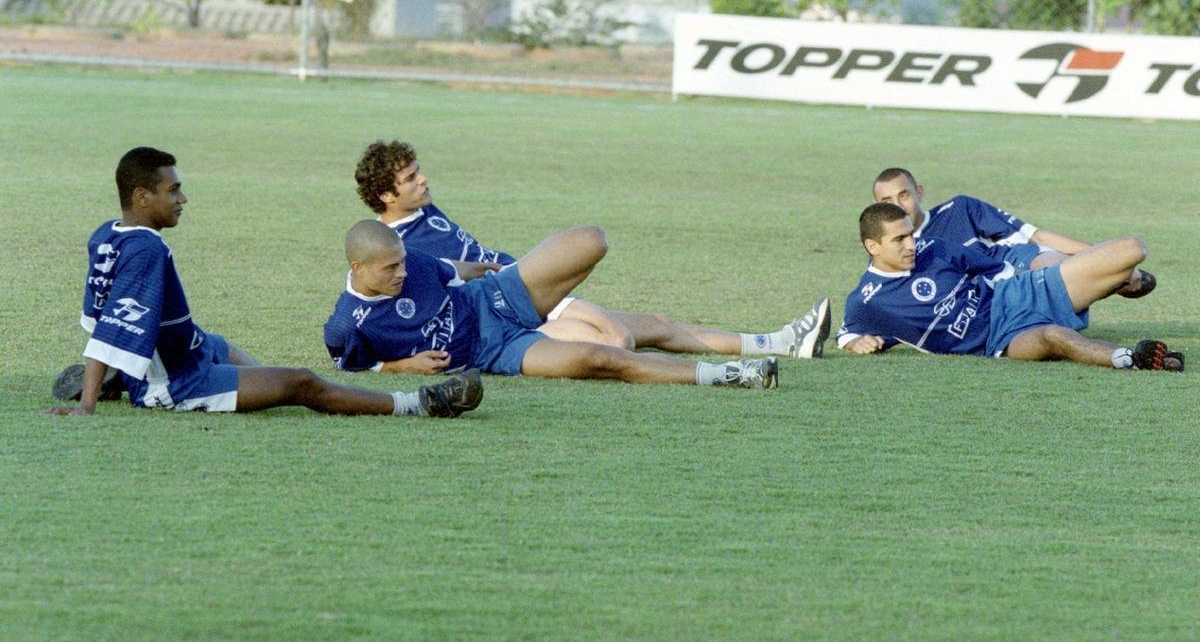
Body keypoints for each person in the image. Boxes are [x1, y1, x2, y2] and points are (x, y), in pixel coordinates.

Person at [48, 147, 482, 418]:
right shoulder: (148, 250)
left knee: (218, 344)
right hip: (175, 386)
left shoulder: (108, 235)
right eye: (173, 190)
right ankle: (417, 404)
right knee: (301, 383)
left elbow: (96, 316)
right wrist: (85, 405)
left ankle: (124, 381)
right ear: (144, 198)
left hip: (186, 356)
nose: (182, 199)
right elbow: (112, 330)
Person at [351, 139, 831, 368]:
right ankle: (729, 370)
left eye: (419, 172)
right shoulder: (400, 251)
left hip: (522, 292)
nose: (424, 181)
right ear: (388, 198)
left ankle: (778, 342)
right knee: (617, 336)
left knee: (656, 323)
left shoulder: (420, 212)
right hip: (510, 307)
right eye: (411, 179)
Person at [324, 220, 782, 388]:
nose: (401, 273)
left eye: (402, 262)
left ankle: (557, 306)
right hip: (495, 352)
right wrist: (402, 368)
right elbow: (351, 370)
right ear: (358, 268)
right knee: (603, 358)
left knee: (590, 240)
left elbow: (457, 272)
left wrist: (504, 273)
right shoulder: (347, 325)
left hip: (495, 298)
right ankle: (736, 374)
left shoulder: (411, 260)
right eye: (389, 270)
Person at [836, 202, 1183, 371]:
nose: (911, 244)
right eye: (900, 239)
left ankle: (1113, 280)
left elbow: (994, 266)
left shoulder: (933, 248)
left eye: (911, 234)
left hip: (1016, 295)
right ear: (873, 247)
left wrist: (1038, 277)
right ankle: (1131, 358)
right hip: (999, 341)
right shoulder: (868, 301)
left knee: (1133, 249)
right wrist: (853, 342)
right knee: (1055, 338)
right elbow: (845, 332)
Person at [871, 167, 1155, 297]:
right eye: (887, 201)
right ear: (877, 206)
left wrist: (1098, 255)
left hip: (1015, 261)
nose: (898, 205)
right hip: (986, 299)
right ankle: (1109, 279)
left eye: (904, 195)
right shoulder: (892, 253)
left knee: (1048, 265)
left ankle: (1110, 272)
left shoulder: (959, 208)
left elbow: (1036, 236)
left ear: (919, 193)